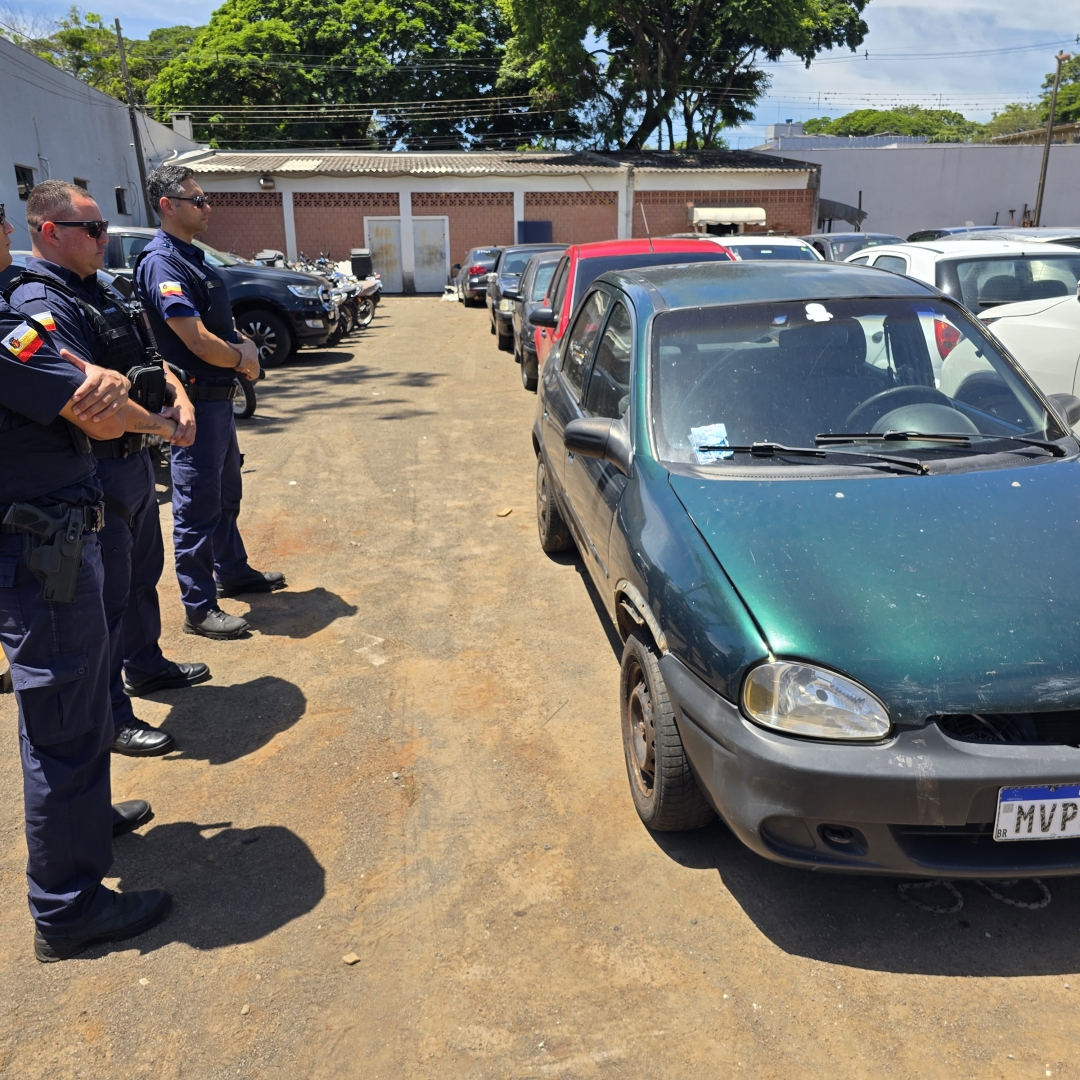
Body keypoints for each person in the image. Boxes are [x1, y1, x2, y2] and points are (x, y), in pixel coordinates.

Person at [0, 202, 171, 961]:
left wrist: (99, 380)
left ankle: (86, 821)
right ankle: (67, 910)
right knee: (63, 721)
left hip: (57, 531)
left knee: (78, 701)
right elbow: (98, 414)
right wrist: (135, 413)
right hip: (40, 544)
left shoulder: (11, 310)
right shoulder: (7, 324)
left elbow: (86, 378)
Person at [8, 181, 212, 757]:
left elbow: (151, 360)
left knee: (141, 576)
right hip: (96, 473)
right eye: (92, 230)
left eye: (101, 228)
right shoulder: (41, 304)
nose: (104, 238)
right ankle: (114, 716)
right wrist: (166, 427)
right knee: (105, 602)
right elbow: (96, 407)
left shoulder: (106, 290)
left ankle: (145, 664)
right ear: (50, 232)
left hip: (134, 467)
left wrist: (181, 395)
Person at [135, 165, 284, 639]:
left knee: (225, 494)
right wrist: (243, 361)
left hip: (218, 402)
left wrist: (245, 347)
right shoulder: (163, 262)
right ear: (167, 205)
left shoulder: (193, 257)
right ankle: (199, 606)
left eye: (204, 199)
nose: (207, 207)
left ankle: (233, 570)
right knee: (197, 505)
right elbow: (196, 340)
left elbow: (219, 326)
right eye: (196, 200)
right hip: (194, 404)